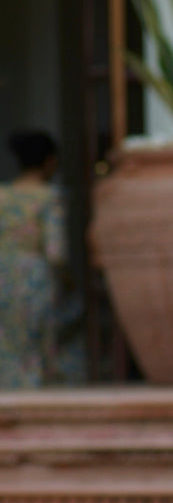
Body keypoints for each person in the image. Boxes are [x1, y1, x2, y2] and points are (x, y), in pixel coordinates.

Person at [0, 130, 66, 387]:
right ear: (50, 161)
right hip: (32, 275)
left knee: (6, 341)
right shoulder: (49, 196)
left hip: (2, 272)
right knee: (35, 343)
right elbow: (55, 250)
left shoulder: (2, 195)